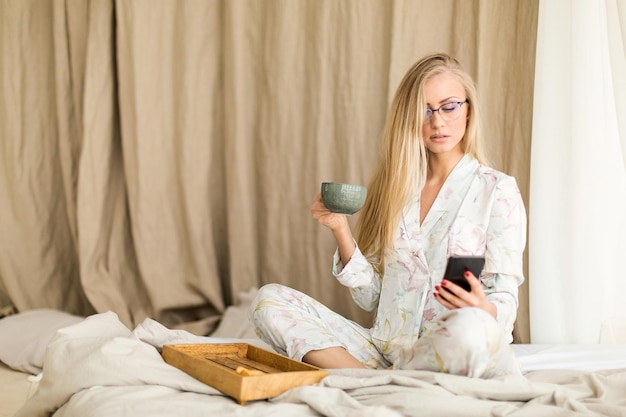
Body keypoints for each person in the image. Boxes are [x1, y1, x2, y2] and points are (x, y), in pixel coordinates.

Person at [248, 52, 526, 378]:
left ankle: (384, 378)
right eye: (423, 111)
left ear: (468, 109)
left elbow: (504, 303)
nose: (437, 122)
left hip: (456, 343)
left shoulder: (497, 190)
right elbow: (375, 299)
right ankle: (376, 380)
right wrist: (341, 230)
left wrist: (482, 307)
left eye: (449, 106)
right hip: (385, 352)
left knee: (469, 329)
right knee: (268, 301)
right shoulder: (396, 189)